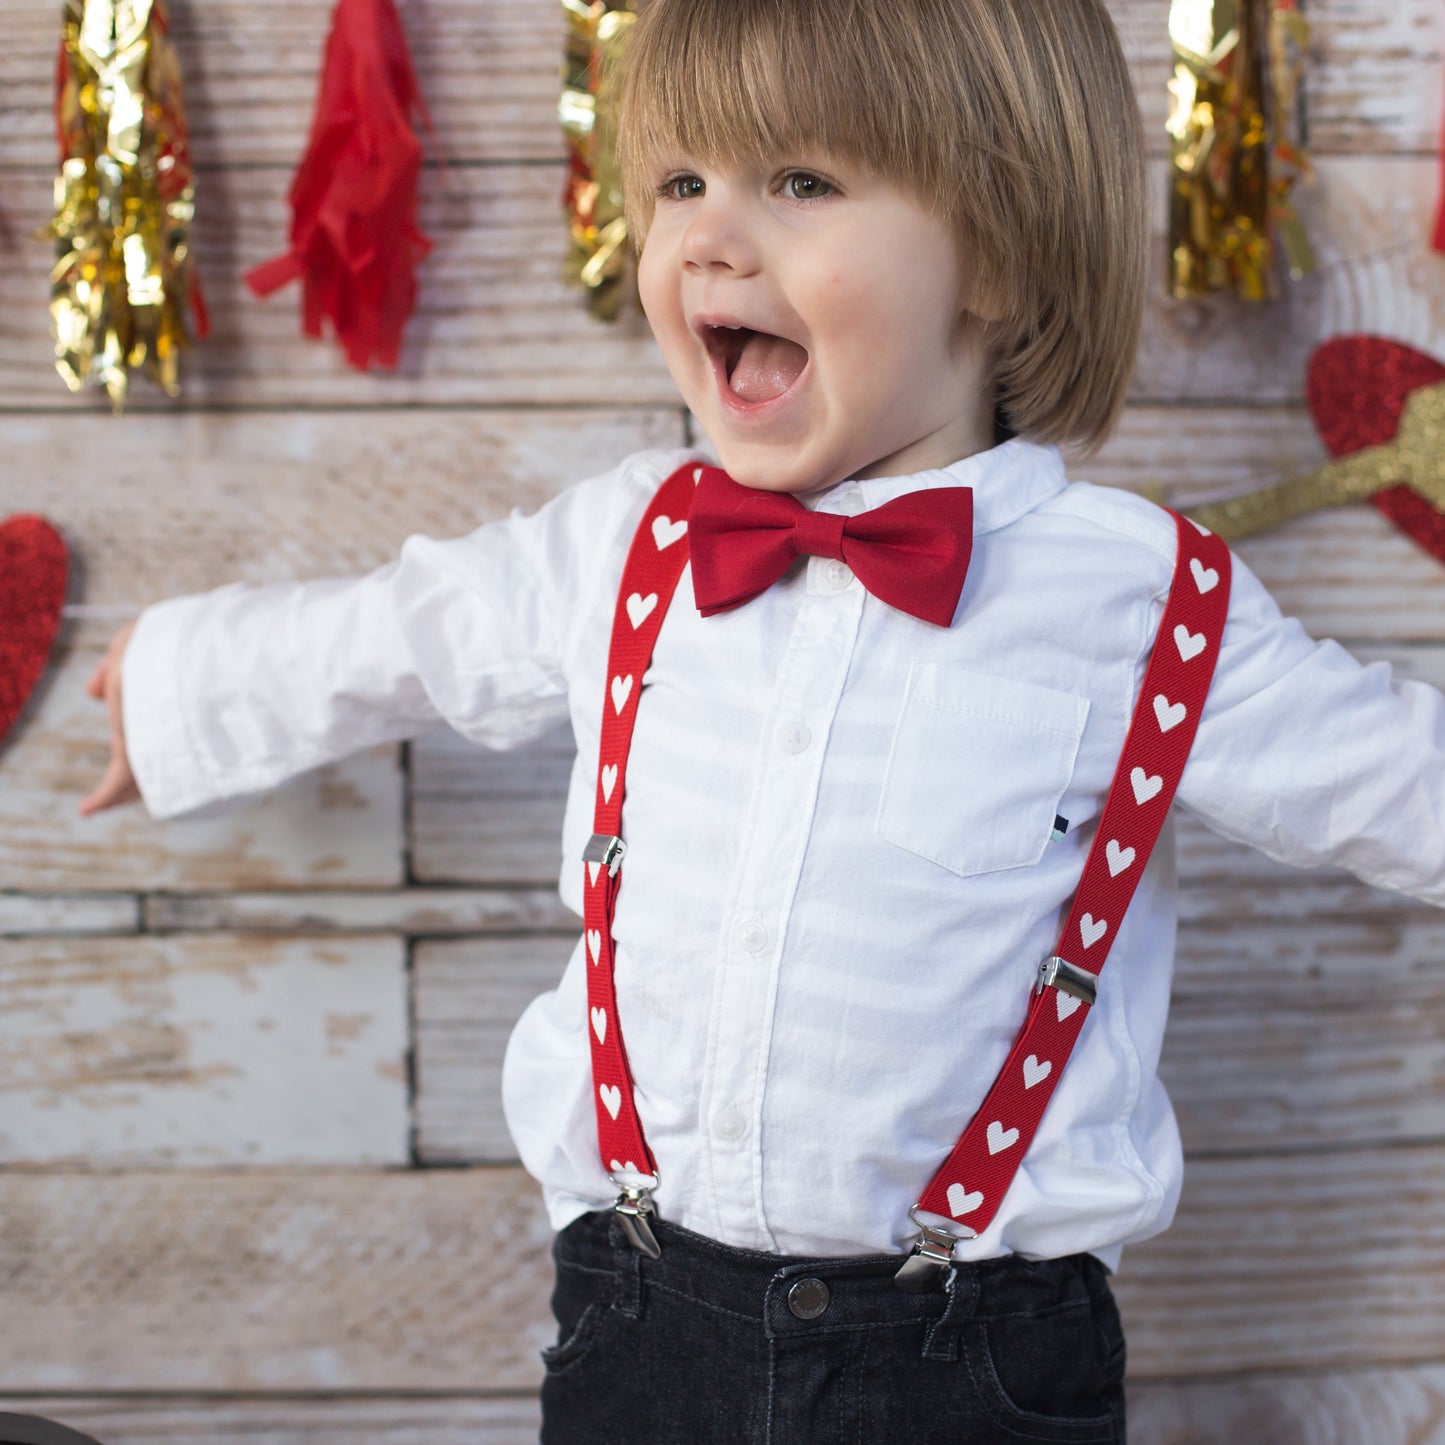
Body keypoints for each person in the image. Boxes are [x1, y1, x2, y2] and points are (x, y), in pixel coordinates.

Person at [80, 0, 1445, 1440]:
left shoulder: (1140, 600)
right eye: (680, 182)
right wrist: (182, 685)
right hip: (638, 1316)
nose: (708, 238)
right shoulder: (631, 541)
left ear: (996, 247)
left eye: (796, 182)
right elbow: (403, 633)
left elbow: (1392, 779)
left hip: (976, 1353)